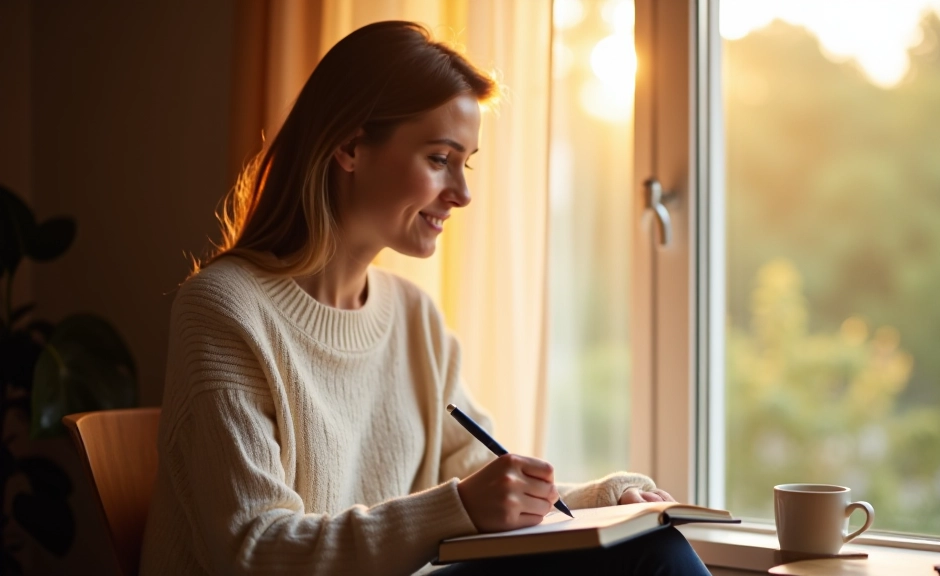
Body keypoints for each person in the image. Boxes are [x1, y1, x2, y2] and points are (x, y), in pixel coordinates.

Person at [139, 20, 712, 576]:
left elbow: (488, 482)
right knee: (647, 560)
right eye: (440, 160)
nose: (462, 193)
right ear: (350, 147)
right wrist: (457, 507)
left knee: (647, 544)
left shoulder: (414, 317)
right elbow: (253, 549)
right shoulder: (224, 309)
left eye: (466, 164)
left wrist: (606, 500)